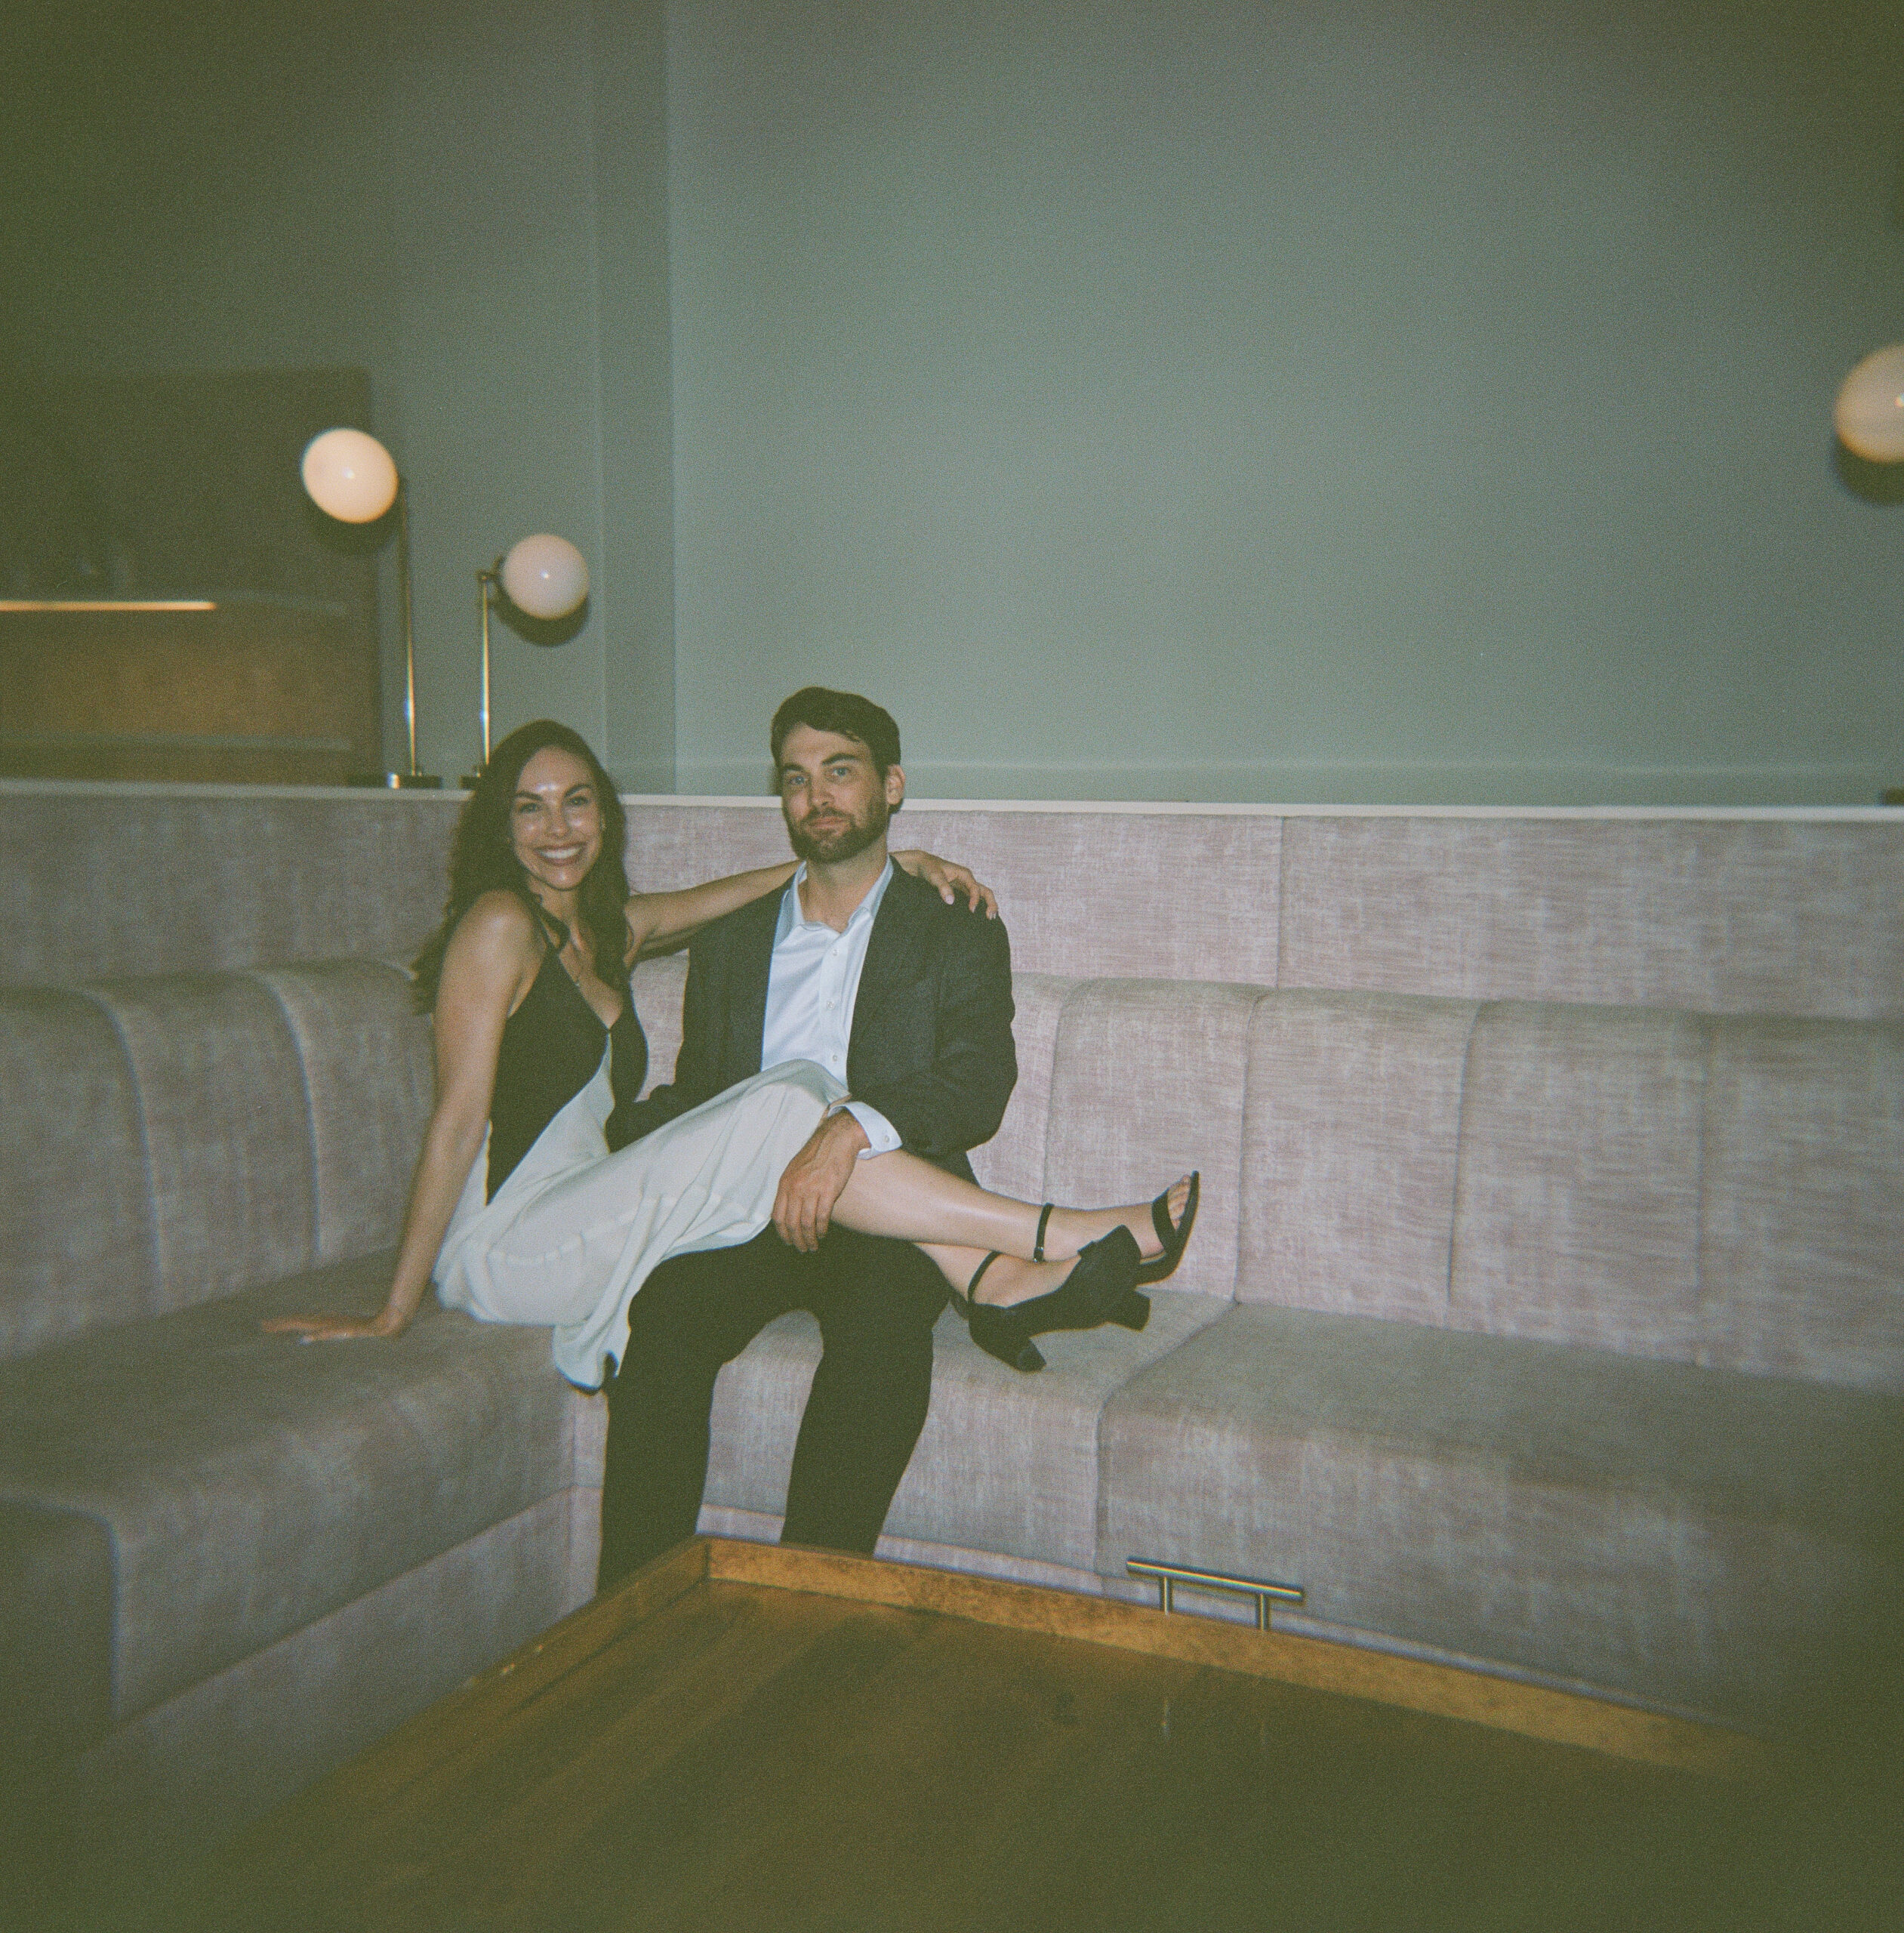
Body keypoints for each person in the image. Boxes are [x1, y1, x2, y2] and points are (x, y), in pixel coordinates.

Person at [266, 713, 1198, 1475]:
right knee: (790, 1103)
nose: (558, 829)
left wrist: (892, 868)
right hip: (510, 1241)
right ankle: (1032, 1244)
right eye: (530, 809)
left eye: (577, 802)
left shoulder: (610, 931)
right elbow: (457, 1121)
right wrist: (394, 1306)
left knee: (868, 1302)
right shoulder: (499, 924)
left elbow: (737, 894)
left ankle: (824, 1578)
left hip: (631, 1209)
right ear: (499, 829)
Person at [592, 688, 1195, 1590]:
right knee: (667, 1323)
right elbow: (706, 1089)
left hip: (896, 1216)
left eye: (840, 771)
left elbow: (976, 1084)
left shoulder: (952, 925)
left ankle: (806, 1608)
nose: (816, 796)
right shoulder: (734, 944)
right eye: (795, 780)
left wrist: (851, 1129)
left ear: (891, 786)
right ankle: (629, 1616)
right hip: (749, 1209)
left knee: (879, 1344)